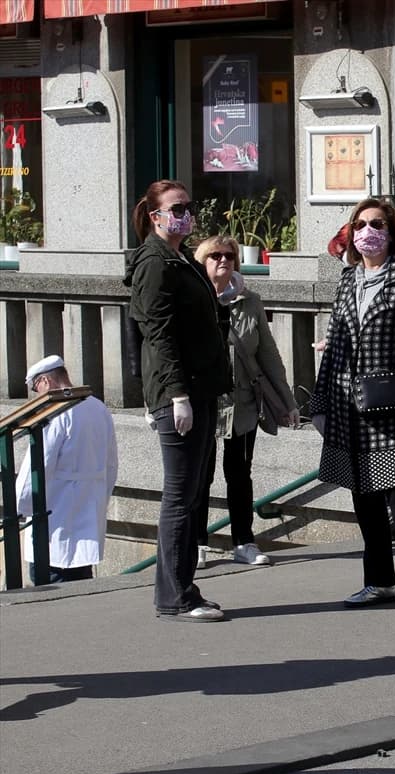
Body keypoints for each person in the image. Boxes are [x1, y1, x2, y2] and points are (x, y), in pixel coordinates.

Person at [308, 198, 395, 618]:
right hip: (350, 407)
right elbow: (333, 343)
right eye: (361, 224)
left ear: (391, 231)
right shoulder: (347, 280)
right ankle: (379, 581)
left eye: (378, 223)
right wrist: (321, 402)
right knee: (363, 498)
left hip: (392, 408)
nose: (369, 231)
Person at [124, 179, 233, 622]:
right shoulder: (155, 262)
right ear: (155, 216)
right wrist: (177, 395)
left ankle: (183, 585)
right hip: (179, 390)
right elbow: (159, 333)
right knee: (180, 493)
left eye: (187, 206)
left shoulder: (181, 257)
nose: (185, 214)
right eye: (176, 207)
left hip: (200, 386)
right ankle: (174, 594)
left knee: (193, 492)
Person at [193, 235, 300, 567]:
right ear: (202, 262)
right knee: (200, 475)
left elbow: (267, 354)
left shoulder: (250, 301)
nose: (223, 261)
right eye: (215, 256)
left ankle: (244, 542)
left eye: (229, 256)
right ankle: (195, 543)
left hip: (242, 404)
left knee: (239, 474)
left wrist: (288, 401)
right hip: (205, 403)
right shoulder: (192, 300)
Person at [15, 355, 118, 584]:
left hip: (55, 517)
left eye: (36, 388)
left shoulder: (53, 412)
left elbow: (38, 463)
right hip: (89, 511)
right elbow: (111, 464)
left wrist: (19, 506)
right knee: (81, 583)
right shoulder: (98, 407)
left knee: (51, 585)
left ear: (45, 382)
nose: (37, 394)